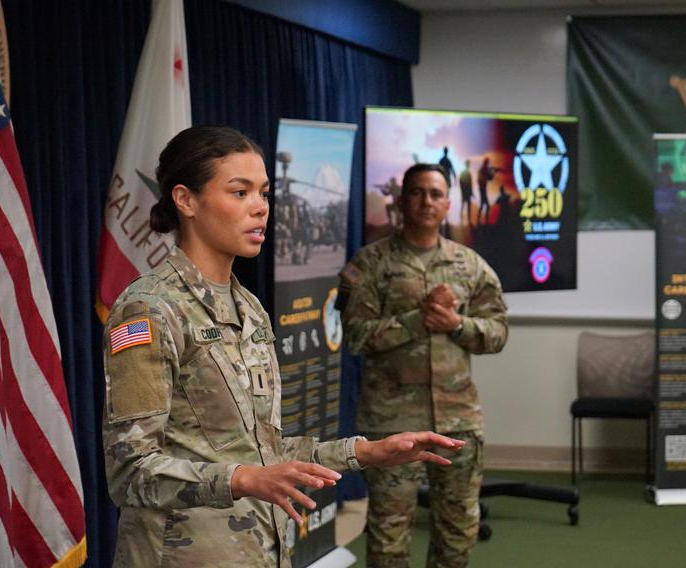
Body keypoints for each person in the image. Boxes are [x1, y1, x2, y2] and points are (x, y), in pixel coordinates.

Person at [102, 126, 466, 567]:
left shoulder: (249, 308)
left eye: (264, 193)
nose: (260, 208)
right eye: (240, 193)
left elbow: (264, 454)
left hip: (261, 550)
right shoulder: (150, 310)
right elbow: (131, 472)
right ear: (186, 200)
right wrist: (242, 480)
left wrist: (367, 452)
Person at [337, 163, 508, 568]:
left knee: (459, 532)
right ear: (401, 200)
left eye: (435, 194)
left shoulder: (470, 265)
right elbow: (356, 336)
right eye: (416, 192)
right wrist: (417, 320)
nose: (426, 201)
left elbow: (498, 332)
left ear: (448, 203)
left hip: (458, 421)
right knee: (389, 535)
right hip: (392, 422)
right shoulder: (371, 264)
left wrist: (457, 324)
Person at [477, 157, 495, 225]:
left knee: (483, 205)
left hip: (482, 189)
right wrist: (492, 172)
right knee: (486, 205)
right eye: (487, 162)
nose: (488, 164)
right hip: (482, 189)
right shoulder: (483, 170)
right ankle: (485, 221)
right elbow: (489, 178)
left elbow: (489, 178)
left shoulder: (483, 169)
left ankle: (481, 220)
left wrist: (492, 172)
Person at [458, 159, 473, 224]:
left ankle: (466, 218)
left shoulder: (465, 173)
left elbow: (462, 182)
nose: (469, 165)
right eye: (468, 164)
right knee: (465, 204)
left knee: (464, 204)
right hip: (466, 191)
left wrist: (463, 190)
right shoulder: (467, 173)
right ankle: (466, 218)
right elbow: (467, 183)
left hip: (465, 191)